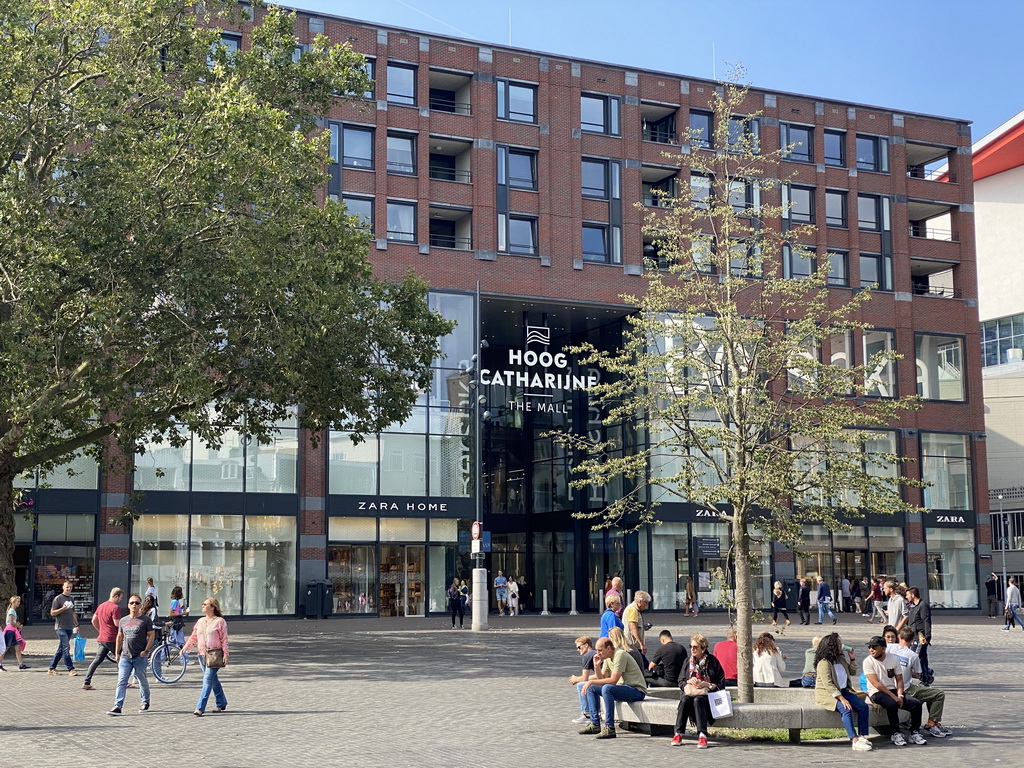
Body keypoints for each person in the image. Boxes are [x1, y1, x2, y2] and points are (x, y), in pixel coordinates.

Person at [888, 626, 953, 738]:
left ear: (899, 637)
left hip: (889, 685)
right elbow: (918, 675)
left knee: (927, 692)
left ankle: (931, 722)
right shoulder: (913, 655)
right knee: (938, 694)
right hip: (905, 688)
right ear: (912, 641)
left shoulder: (889, 648)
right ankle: (932, 723)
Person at [578, 636, 647, 739]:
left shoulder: (620, 655)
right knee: (592, 688)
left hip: (636, 690)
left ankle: (609, 727)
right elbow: (602, 678)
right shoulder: (606, 658)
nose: (598, 653)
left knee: (607, 688)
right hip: (622, 688)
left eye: (600, 650)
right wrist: (597, 667)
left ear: (609, 648)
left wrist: (591, 680)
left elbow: (613, 680)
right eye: (597, 650)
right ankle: (595, 724)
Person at [862, 634, 926, 746]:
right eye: (869, 647)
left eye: (874, 647)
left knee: (916, 704)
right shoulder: (868, 662)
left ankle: (914, 732)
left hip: (892, 690)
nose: (871, 650)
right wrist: (894, 697)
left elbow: (899, 679)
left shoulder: (893, 659)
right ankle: (895, 733)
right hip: (876, 692)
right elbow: (876, 684)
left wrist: (900, 695)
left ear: (883, 648)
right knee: (892, 704)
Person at [813, 632, 872, 751]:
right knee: (846, 709)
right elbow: (828, 684)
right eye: (839, 643)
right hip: (828, 694)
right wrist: (842, 699)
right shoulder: (824, 663)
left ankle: (862, 735)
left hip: (843, 691)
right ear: (832, 646)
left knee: (863, 707)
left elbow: (852, 672)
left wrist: (852, 658)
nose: (841, 645)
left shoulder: (840, 659)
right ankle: (854, 740)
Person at [671, 633, 726, 749]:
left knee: (698, 700)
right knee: (685, 699)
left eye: (695, 647)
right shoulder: (688, 661)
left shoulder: (712, 661)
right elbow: (680, 681)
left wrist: (708, 684)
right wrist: (689, 682)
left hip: (707, 696)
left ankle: (702, 735)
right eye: (691, 646)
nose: (692, 649)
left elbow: (721, 684)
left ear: (704, 648)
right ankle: (678, 734)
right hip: (690, 693)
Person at [107, 593, 155, 716]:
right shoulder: (123, 620)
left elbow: (151, 635)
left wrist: (146, 651)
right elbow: (119, 637)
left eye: (137, 603)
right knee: (122, 681)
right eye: (132, 603)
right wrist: (117, 653)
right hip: (125, 656)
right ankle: (118, 706)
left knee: (141, 679)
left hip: (139, 656)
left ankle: (145, 701)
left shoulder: (145, 620)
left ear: (140, 605)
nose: (134, 605)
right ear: (128, 605)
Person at [182, 596, 230, 716]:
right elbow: (194, 636)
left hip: (214, 654)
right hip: (202, 654)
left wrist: (226, 654)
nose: (202, 606)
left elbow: (224, 639)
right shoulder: (200, 621)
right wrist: (185, 648)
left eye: (205, 604)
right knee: (213, 680)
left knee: (207, 680)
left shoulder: (219, 621)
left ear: (212, 607)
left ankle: (200, 708)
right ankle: (221, 702)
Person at [82, 587, 124, 690]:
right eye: (120, 598)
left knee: (97, 660)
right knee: (122, 659)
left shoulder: (101, 606)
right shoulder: (115, 608)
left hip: (102, 638)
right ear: (116, 596)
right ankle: (124, 681)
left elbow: (93, 620)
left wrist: (100, 630)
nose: (121, 600)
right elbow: (117, 623)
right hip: (113, 638)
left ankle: (86, 682)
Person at [48, 580, 79, 675]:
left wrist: (77, 624)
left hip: (69, 627)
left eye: (70, 587)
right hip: (60, 627)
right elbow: (52, 613)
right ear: (63, 587)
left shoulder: (71, 598)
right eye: (67, 587)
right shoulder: (58, 599)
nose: (69, 589)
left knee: (61, 648)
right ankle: (71, 669)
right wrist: (63, 609)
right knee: (66, 647)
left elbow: (73, 612)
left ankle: (51, 668)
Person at [905, 586, 933, 685]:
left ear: (913, 595)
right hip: (913, 636)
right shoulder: (914, 606)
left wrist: (927, 636)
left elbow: (926, 620)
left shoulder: (922, 605)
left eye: (908, 594)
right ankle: (927, 674)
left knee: (915, 656)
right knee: (921, 656)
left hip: (920, 636)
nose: (906, 596)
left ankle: (925, 677)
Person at [569, 636, 599, 723]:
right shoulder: (594, 653)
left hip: (607, 680)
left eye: (579, 647)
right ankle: (595, 712)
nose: (578, 650)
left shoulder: (587, 656)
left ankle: (586, 713)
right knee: (588, 683)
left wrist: (575, 679)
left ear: (586, 645)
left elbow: (584, 678)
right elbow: (596, 675)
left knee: (581, 685)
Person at [622, 590, 651, 663]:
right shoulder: (633, 610)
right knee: (643, 666)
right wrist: (641, 643)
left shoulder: (634, 609)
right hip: (632, 644)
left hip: (632, 645)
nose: (646, 605)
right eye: (646, 602)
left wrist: (642, 628)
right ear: (640, 601)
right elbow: (633, 628)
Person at [3, 596, 29, 669]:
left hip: (13, 631)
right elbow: (11, 622)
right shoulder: (11, 611)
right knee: (6, 648)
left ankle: (21, 664)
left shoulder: (13, 611)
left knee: (17, 647)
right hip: (10, 631)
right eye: (17, 601)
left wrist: (17, 624)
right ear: (13, 602)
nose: (19, 603)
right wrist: (19, 626)